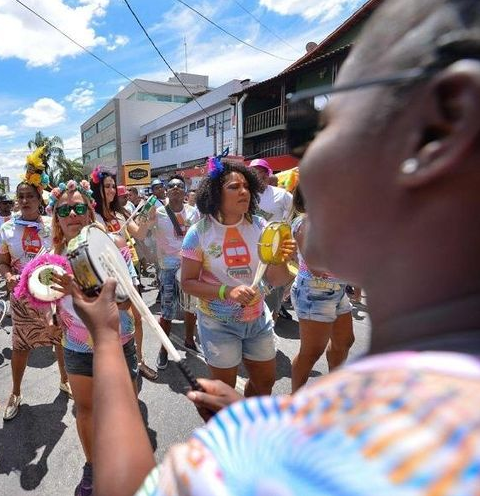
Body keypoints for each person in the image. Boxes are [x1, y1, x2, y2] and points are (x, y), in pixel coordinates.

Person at [70, 1, 480, 493]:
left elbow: (127, 489)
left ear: (443, 122)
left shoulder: (272, 464)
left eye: (318, 122)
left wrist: (107, 342)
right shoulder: (419, 406)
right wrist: (254, 424)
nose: (303, 162)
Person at [44, 180, 139, 496]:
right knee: (86, 410)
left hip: (118, 342)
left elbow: (129, 300)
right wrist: (49, 315)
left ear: (90, 212)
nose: (72, 214)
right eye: (64, 210)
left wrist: (97, 290)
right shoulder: (51, 256)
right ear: (56, 218)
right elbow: (47, 302)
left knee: (124, 409)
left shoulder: (114, 246)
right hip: (76, 346)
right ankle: (93, 466)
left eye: (79, 207)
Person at [180, 162, 294, 394]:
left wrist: (281, 258)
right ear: (215, 194)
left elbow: (278, 279)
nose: (244, 191)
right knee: (224, 390)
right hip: (218, 323)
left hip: (257, 320)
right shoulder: (199, 233)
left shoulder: (262, 226)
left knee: (265, 383)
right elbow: (187, 283)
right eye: (234, 187)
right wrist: (227, 291)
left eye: (246, 186)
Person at [0, 182, 70, 420]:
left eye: (30, 196)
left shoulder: (53, 225)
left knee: (59, 339)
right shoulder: (8, 228)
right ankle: (15, 393)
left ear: (40, 198)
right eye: (21, 196)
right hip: (21, 297)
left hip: (50, 293)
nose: (25, 200)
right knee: (20, 346)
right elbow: (3, 261)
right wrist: (8, 275)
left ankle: (65, 380)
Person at [90, 168, 158, 381]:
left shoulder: (121, 213)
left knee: (136, 318)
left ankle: (139, 360)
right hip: (106, 276)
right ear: (96, 189)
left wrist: (149, 218)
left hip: (129, 272)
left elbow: (140, 233)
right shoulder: (92, 215)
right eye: (106, 186)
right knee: (112, 323)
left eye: (112, 186)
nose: (110, 190)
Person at [290, 188, 354, 391]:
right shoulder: (304, 222)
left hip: (336, 290)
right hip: (314, 292)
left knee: (344, 341)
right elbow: (316, 267)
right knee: (311, 352)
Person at [144, 175, 200, 371]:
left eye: (179, 186)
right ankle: (164, 350)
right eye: (172, 186)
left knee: (191, 306)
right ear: (166, 192)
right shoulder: (158, 212)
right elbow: (144, 233)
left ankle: (189, 340)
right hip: (168, 266)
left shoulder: (194, 213)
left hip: (189, 264)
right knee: (167, 310)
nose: (176, 188)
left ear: (185, 192)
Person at [247, 158, 294, 321]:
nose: (259, 176)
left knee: (273, 293)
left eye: (263, 172)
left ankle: (271, 325)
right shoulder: (245, 195)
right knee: (251, 292)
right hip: (249, 252)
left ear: (269, 174)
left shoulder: (282, 196)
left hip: (274, 253)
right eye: (255, 173)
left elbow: (293, 219)